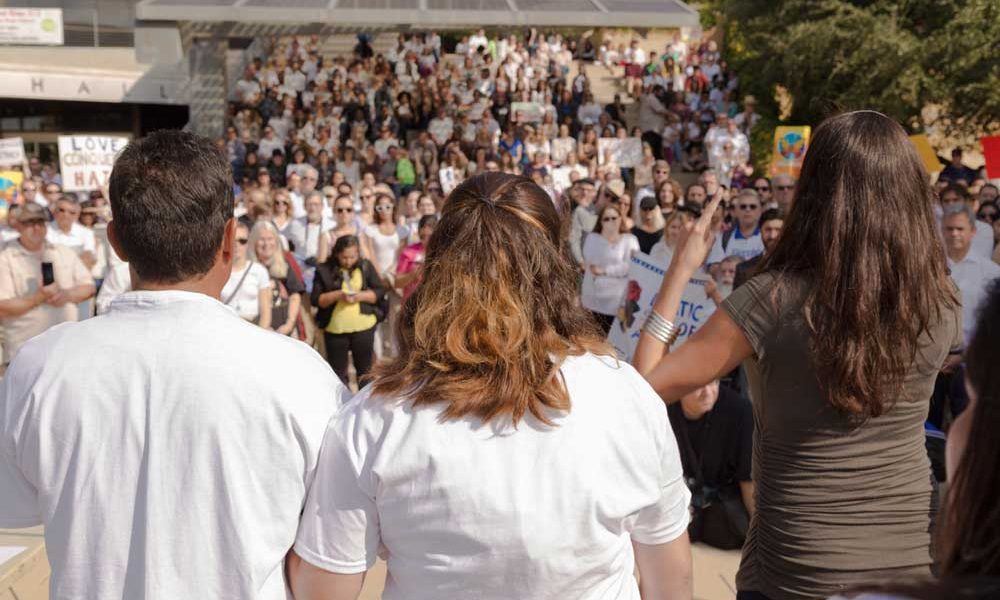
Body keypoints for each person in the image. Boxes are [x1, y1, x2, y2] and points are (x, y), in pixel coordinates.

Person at [289, 173, 693, 600]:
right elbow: (671, 581)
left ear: (438, 267)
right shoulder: (625, 396)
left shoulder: (376, 417)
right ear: (557, 265)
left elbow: (322, 590)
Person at [0, 130, 344, 599]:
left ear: (115, 241)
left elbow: (15, 505)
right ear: (230, 240)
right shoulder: (301, 375)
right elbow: (331, 561)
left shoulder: (38, 369)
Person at [633, 111, 962, 600]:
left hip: (795, 570)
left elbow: (643, 388)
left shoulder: (772, 300)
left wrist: (679, 269)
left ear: (813, 194)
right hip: (908, 567)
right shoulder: (941, 301)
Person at [0, 202, 95, 364]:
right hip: (24, 354)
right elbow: (3, 307)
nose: (36, 228)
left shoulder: (64, 252)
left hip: (66, 349)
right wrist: (38, 298)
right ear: (18, 226)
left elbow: (89, 287)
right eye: (30, 223)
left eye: (40, 222)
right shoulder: (5, 259)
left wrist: (66, 295)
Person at [667, 380, 753, 550]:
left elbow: (749, 481)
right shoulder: (661, 408)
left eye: (713, 382)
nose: (707, 392)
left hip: (721, 509)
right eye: (698, 385)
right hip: (675, 502)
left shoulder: (739, 411)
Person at [311, 234, 385, 387]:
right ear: (337, 254)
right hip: (335, 329)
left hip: (363, 327)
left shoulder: (365, 266)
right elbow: (317, 299)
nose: (348, 261)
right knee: (338, 375)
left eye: (352, 257)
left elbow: (379, 291)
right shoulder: (324, 270)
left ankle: (364, 401)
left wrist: (359, 296)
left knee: (365, 373)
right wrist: (338, 295)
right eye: (344, 257)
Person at [941, 204, 1000, 347]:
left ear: (973, 231)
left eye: (960, 229)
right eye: (949, 229)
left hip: (974, 353)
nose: (954, 233)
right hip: (935, 355)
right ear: (942, 231)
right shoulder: (930, 269)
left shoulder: (991, 272)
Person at [362, 193, 409, 357]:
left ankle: (396, 356)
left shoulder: (402, 230)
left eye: (388, 206)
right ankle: (379, 357)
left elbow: (401, 254)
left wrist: (391, 275)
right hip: (376, 278)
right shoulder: (371, 230)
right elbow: (370, 253)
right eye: (380, 207)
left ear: (393, 208)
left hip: (396, 279)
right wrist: (379, 276)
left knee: (396, 318)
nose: (384, 210)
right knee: (377, 318)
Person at [581, 203, 639, 334]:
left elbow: (630, 267)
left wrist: (605, 270)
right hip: (594, 300)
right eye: (606, 219)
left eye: (614, 218)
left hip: (618, 302)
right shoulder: (592, 238)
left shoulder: (630, 240)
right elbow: (592, 264)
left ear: (620, 218)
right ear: (600, 221)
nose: (611, 222)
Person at [249, 220, 305, 337]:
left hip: (285, 332)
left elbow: (295, 295)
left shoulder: (284, 265)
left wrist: (289, 324)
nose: (266, 244)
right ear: (253, 242)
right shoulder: (248, 268)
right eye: (261, 239)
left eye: (270, 239)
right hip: (256, 331)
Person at [222, 221, 273, 328]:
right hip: (226, 326)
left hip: (253, 326)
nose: (237, 245)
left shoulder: (259, 271)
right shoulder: (219, 272)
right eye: (233, 240)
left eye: (242, 241)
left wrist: (260, 334)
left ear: (248, 243)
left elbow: (266, 312)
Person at [707, 189, 764, 267]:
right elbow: (713, 266)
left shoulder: (768, 237)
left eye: (752, 207)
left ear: (760, 210)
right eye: (743, 207)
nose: (748, 209)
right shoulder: (723, 238)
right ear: (736, 211)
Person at [734, 208, 785, 290]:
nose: (772, 235)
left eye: (778, 230)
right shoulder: (744, 270)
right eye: (768, 230)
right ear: (760, 231)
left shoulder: (797, 267)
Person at [395, 214, 436, 301]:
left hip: (433, 302)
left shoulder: (443, 252)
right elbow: (397, 283)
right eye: (423, 236)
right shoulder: (409, 252)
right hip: (411, 303)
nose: (426, 239)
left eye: (430, 236)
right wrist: (411, 275)